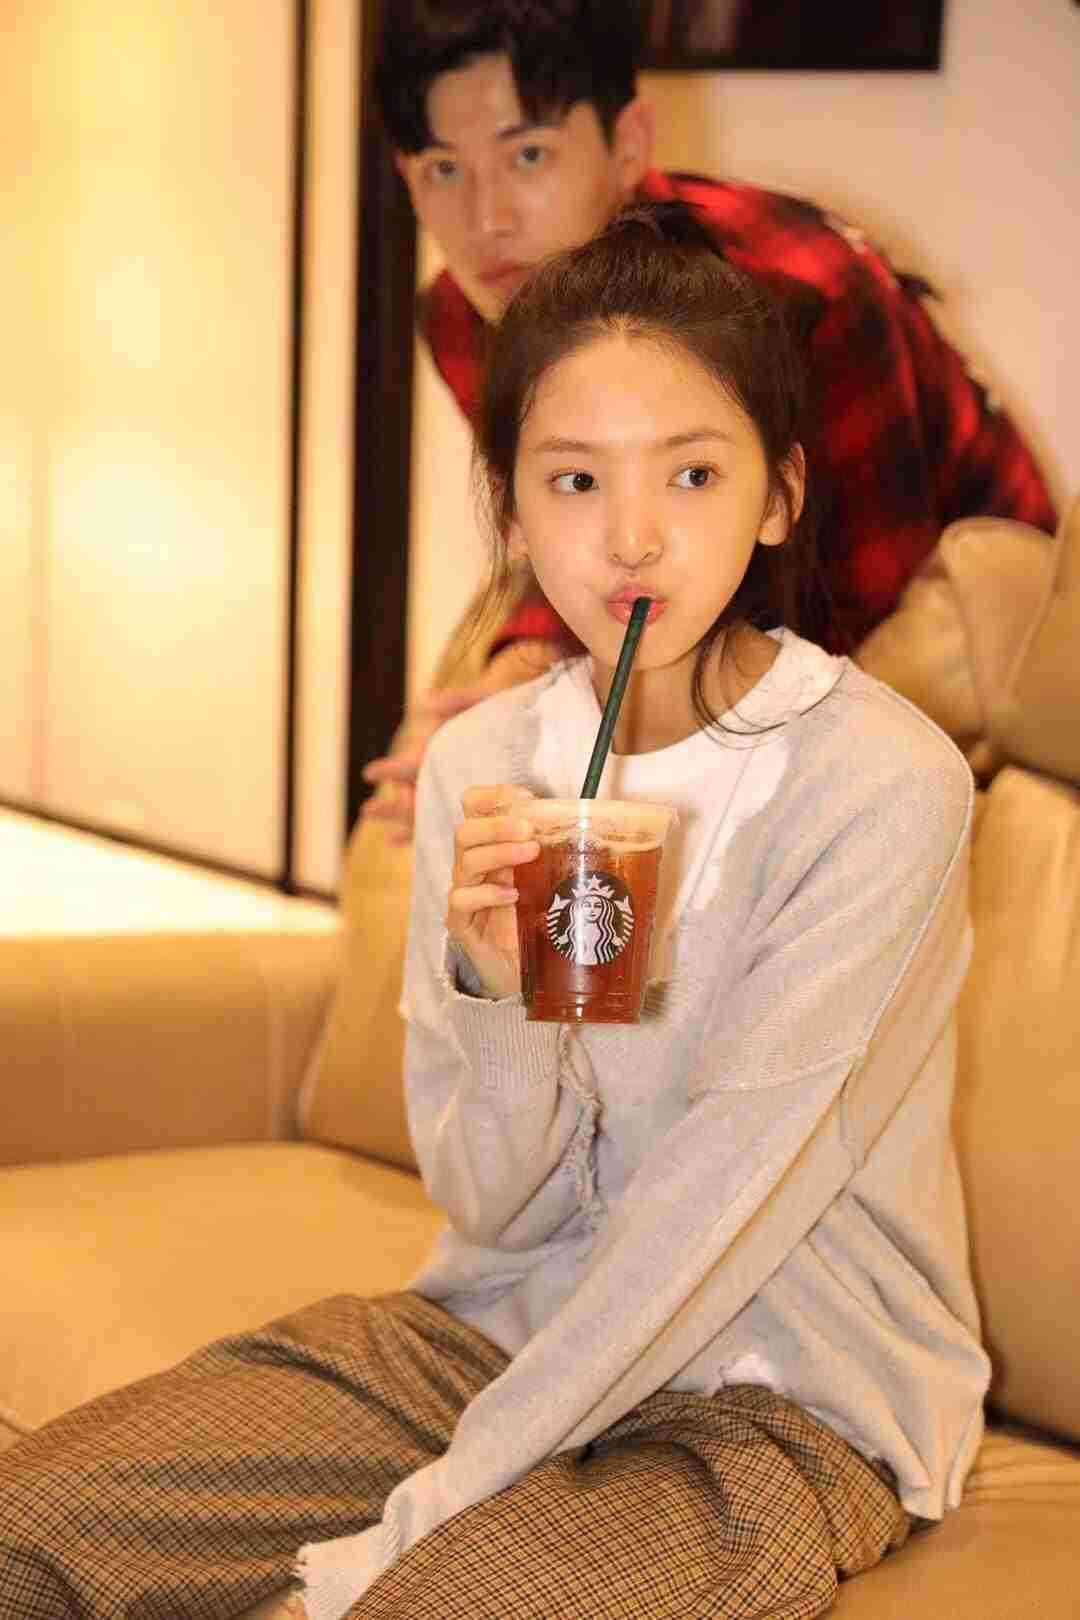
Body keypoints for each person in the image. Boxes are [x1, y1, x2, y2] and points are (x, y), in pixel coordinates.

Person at [0, 206, 990, 1620]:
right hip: (494, 1331)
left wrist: (429, 1513)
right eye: (575, 481)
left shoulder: (880, 786)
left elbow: (720, 1202)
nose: (632, 539)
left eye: (692, 474)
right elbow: (488, 1206)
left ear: (777, 496)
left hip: (778, 1393)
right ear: (513, 512)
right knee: (26, 1533)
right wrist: (498, 1001)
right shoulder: (487, 766)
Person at [362, 0, 1056, 840]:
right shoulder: (464, 313)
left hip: (951, 603)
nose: (486, 220)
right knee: (453, 777)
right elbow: (579, 516)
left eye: (528, 155)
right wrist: (518, 683)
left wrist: (586, 730)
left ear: (628, 144)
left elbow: (846, 611)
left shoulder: (802, 294)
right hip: (699, 579)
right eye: (443, 170)